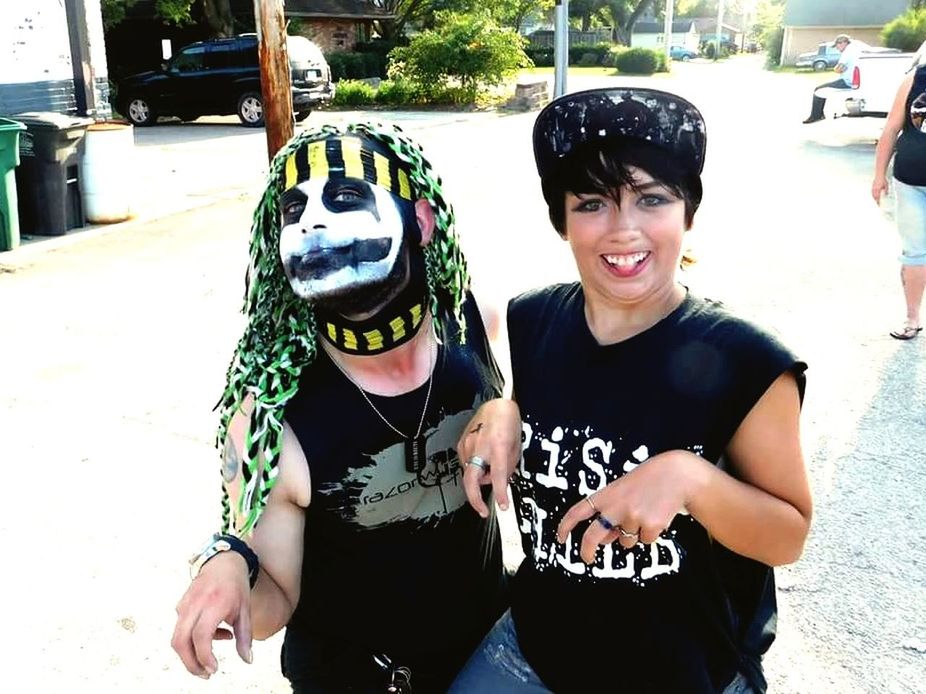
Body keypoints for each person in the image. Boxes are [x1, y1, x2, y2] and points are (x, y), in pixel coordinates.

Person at [451, 88, 813, 693]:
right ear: (560, 221)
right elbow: (567, 408)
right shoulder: (533, 319)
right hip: (535, 645)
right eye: (591, 203)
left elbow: (788, 535)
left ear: (688, 214)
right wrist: (503, 407)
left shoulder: (747, 360)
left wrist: (690, 479)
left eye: (652, 199)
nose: (624, 230)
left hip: (678, 671)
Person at [171, 122, 509, 692]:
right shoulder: (270, 416)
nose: (311, 222)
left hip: (490, 657)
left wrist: (508, 411)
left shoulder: (473, 322)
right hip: (360, 678)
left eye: (346, 198)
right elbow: (277, 599)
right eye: (294, 209)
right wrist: (229, 564)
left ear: (421, 222)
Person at [871, 62, 926, 340]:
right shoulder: (915, 78)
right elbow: (892, 128)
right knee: (915, 252)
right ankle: (912, 317)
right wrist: (879, 174)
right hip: (911, 182)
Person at [803, 34, 859, 124]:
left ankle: (816, 116)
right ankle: (818, 115)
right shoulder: (855, 49)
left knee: (818, 90)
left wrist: (836, 69)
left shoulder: (847, 52)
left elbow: (839, 68)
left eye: (837, 46)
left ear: (843, 43)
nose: (837, 48)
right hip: (853, 81)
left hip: (846, 81)